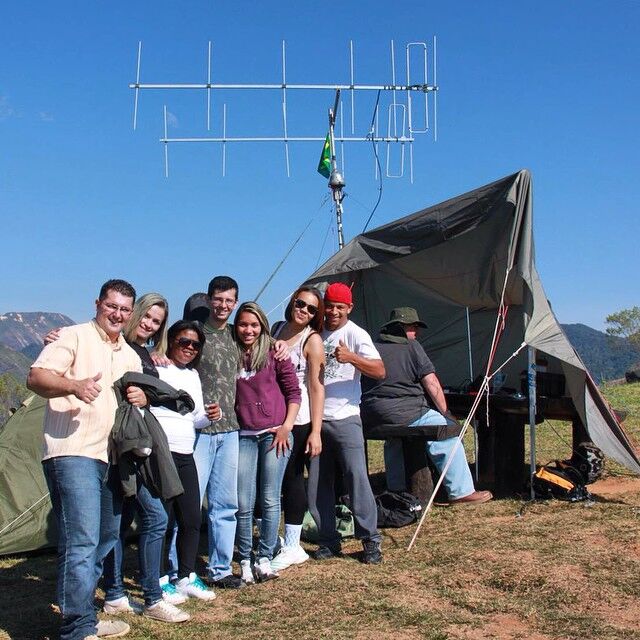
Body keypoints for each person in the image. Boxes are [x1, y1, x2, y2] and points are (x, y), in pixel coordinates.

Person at [45, 294, 190, 621]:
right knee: (125, 524)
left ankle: (115, 595)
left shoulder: (140, 353)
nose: (149, 324)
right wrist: (56, 341)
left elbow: (141, 392)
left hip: (128, 448)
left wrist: (147, 394)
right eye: (146, 316)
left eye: (157, 321)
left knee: (119, 525)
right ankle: (120, 597)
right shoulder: (107, 344)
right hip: (103, 447)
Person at [27, 279, 146, 640]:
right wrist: (74, 386)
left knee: (106, 536)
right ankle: (77, 628)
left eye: (124, 309)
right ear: (97, 304)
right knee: (81, 540)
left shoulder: (129, 355)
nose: (117, 314)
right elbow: (36, 377)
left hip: (112, 457)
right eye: (112, 306)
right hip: (72, 451)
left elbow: (133, 400)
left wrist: (141, 398)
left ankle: (82, 614)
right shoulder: (72, 336)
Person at [360, 307, 492, 506]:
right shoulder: (412, 347)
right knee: (446, 430)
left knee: (395, 438)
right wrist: (446, 413)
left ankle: (397, 487)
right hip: (407, 412)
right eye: (413, 327)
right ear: (401, 327)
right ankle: (461, 491)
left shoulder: (371, 346)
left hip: (373, 414)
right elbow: (431, 383)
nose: (417, 332)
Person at [307, 282, 385, 565]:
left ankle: (370, 539)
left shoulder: (356, 334)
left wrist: (351, 357)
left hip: (346, 417)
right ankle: (328, 539)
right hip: (315, 420)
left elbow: (380, 370)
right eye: (329, 306)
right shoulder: (314, 333)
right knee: (318, 483)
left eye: (340, 307)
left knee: (357, 479)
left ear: (349, 308)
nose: (334, 312)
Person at [151, 320, 220, 601]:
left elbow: (195, 417)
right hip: (160, 453)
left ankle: (186, 576)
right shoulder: (157, 367)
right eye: (184, 342)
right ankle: (159, 578)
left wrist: (210, 416)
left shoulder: (193, 375)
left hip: (185, 452)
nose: (189, 348)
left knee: (191, 517)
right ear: (171, 341)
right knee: (162, 520)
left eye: (195, 345)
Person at [233, 302, 301, 583]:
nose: (248, 330)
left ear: (262, 326)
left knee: (271, 497)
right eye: (243, 324)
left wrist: (287, 427)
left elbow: (294, 392)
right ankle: (244, 558)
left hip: (275, 434)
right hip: (244, 435)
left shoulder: (275, 352)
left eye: (254, 325)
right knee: (243, 500)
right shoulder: (231, 353)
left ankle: (265, 556)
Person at [187, 277, 244, 589]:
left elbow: (264, 341)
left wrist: (278, 344)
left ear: (235, 303)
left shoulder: (237, 334)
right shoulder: (195, 334)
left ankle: (220, 569)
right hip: (199, 431)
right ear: (209, 300)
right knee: (190, 504)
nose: (223, 305)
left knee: (225, 505)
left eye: (229, 300)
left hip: (230, 430)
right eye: (218, 299)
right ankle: (179, 568)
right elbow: (167, 355)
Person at [270, 286, 325, 571]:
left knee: (292, 478)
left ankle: (293, 544)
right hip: (273, 416)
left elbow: (316, 387)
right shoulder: (277, 329)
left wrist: (316, 430)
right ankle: (272, 538)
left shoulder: (312, 340)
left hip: (299, 419)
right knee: (271, 479)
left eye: (311, 309)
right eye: (300, 303)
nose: (303, 310)